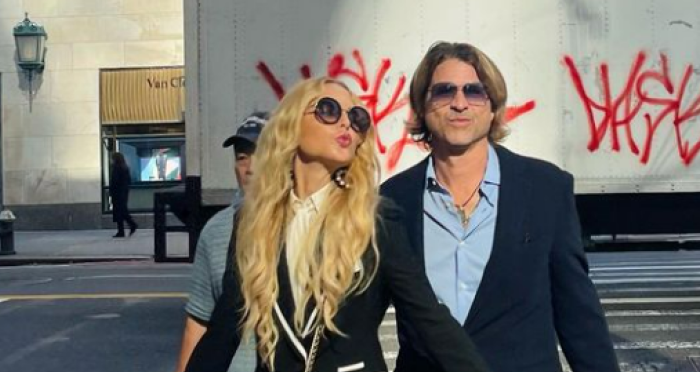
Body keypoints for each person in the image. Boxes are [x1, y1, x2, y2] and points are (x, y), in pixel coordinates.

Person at [185, 77, 490, 372]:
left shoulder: (374, 220)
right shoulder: (253, 221)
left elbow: (429, 319)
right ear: (292, 124)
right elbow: (224, 330)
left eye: (357, 118)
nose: (346, 123)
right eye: (328, 110)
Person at [381, 42, 619, 372]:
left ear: (493, 106)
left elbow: (578, 315)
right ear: (422, 105)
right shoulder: (393, 199)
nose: (460, 103)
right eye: (444, 91)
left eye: (474, 92)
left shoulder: (545, 189)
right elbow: (360, 320)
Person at [175, 111, 269, 372]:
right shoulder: (216, 231)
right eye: (242, 157)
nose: (250, 168)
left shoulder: (304, 223)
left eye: (261, 154)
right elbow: (198, 321)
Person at [110, 152, 138, 238]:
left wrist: (112, 191)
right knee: (121, 211)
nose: (111, 160)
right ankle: (122, 230)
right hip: (124, 192)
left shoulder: (116, 168)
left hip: (118, 193)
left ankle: (130, 225)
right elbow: (129, 181)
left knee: (121, 211)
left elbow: (115, 181)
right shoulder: (125, 168)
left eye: (112, 158)